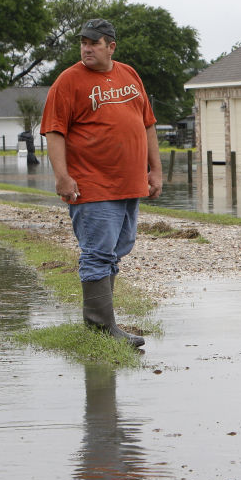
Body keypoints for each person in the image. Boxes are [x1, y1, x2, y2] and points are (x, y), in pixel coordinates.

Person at [41, 19, 162, 348]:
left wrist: (156, 170)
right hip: (92, 186)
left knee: (116, 251)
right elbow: (54, 131)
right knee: (97, 254)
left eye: (94, 43)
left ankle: (104, 325)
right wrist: (62, 177)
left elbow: (147, 124)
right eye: (83, 42)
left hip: (130, 184)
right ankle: (100, 328)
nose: (86, 48)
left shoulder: (129, 74)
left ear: (111, 46)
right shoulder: (68, 81)